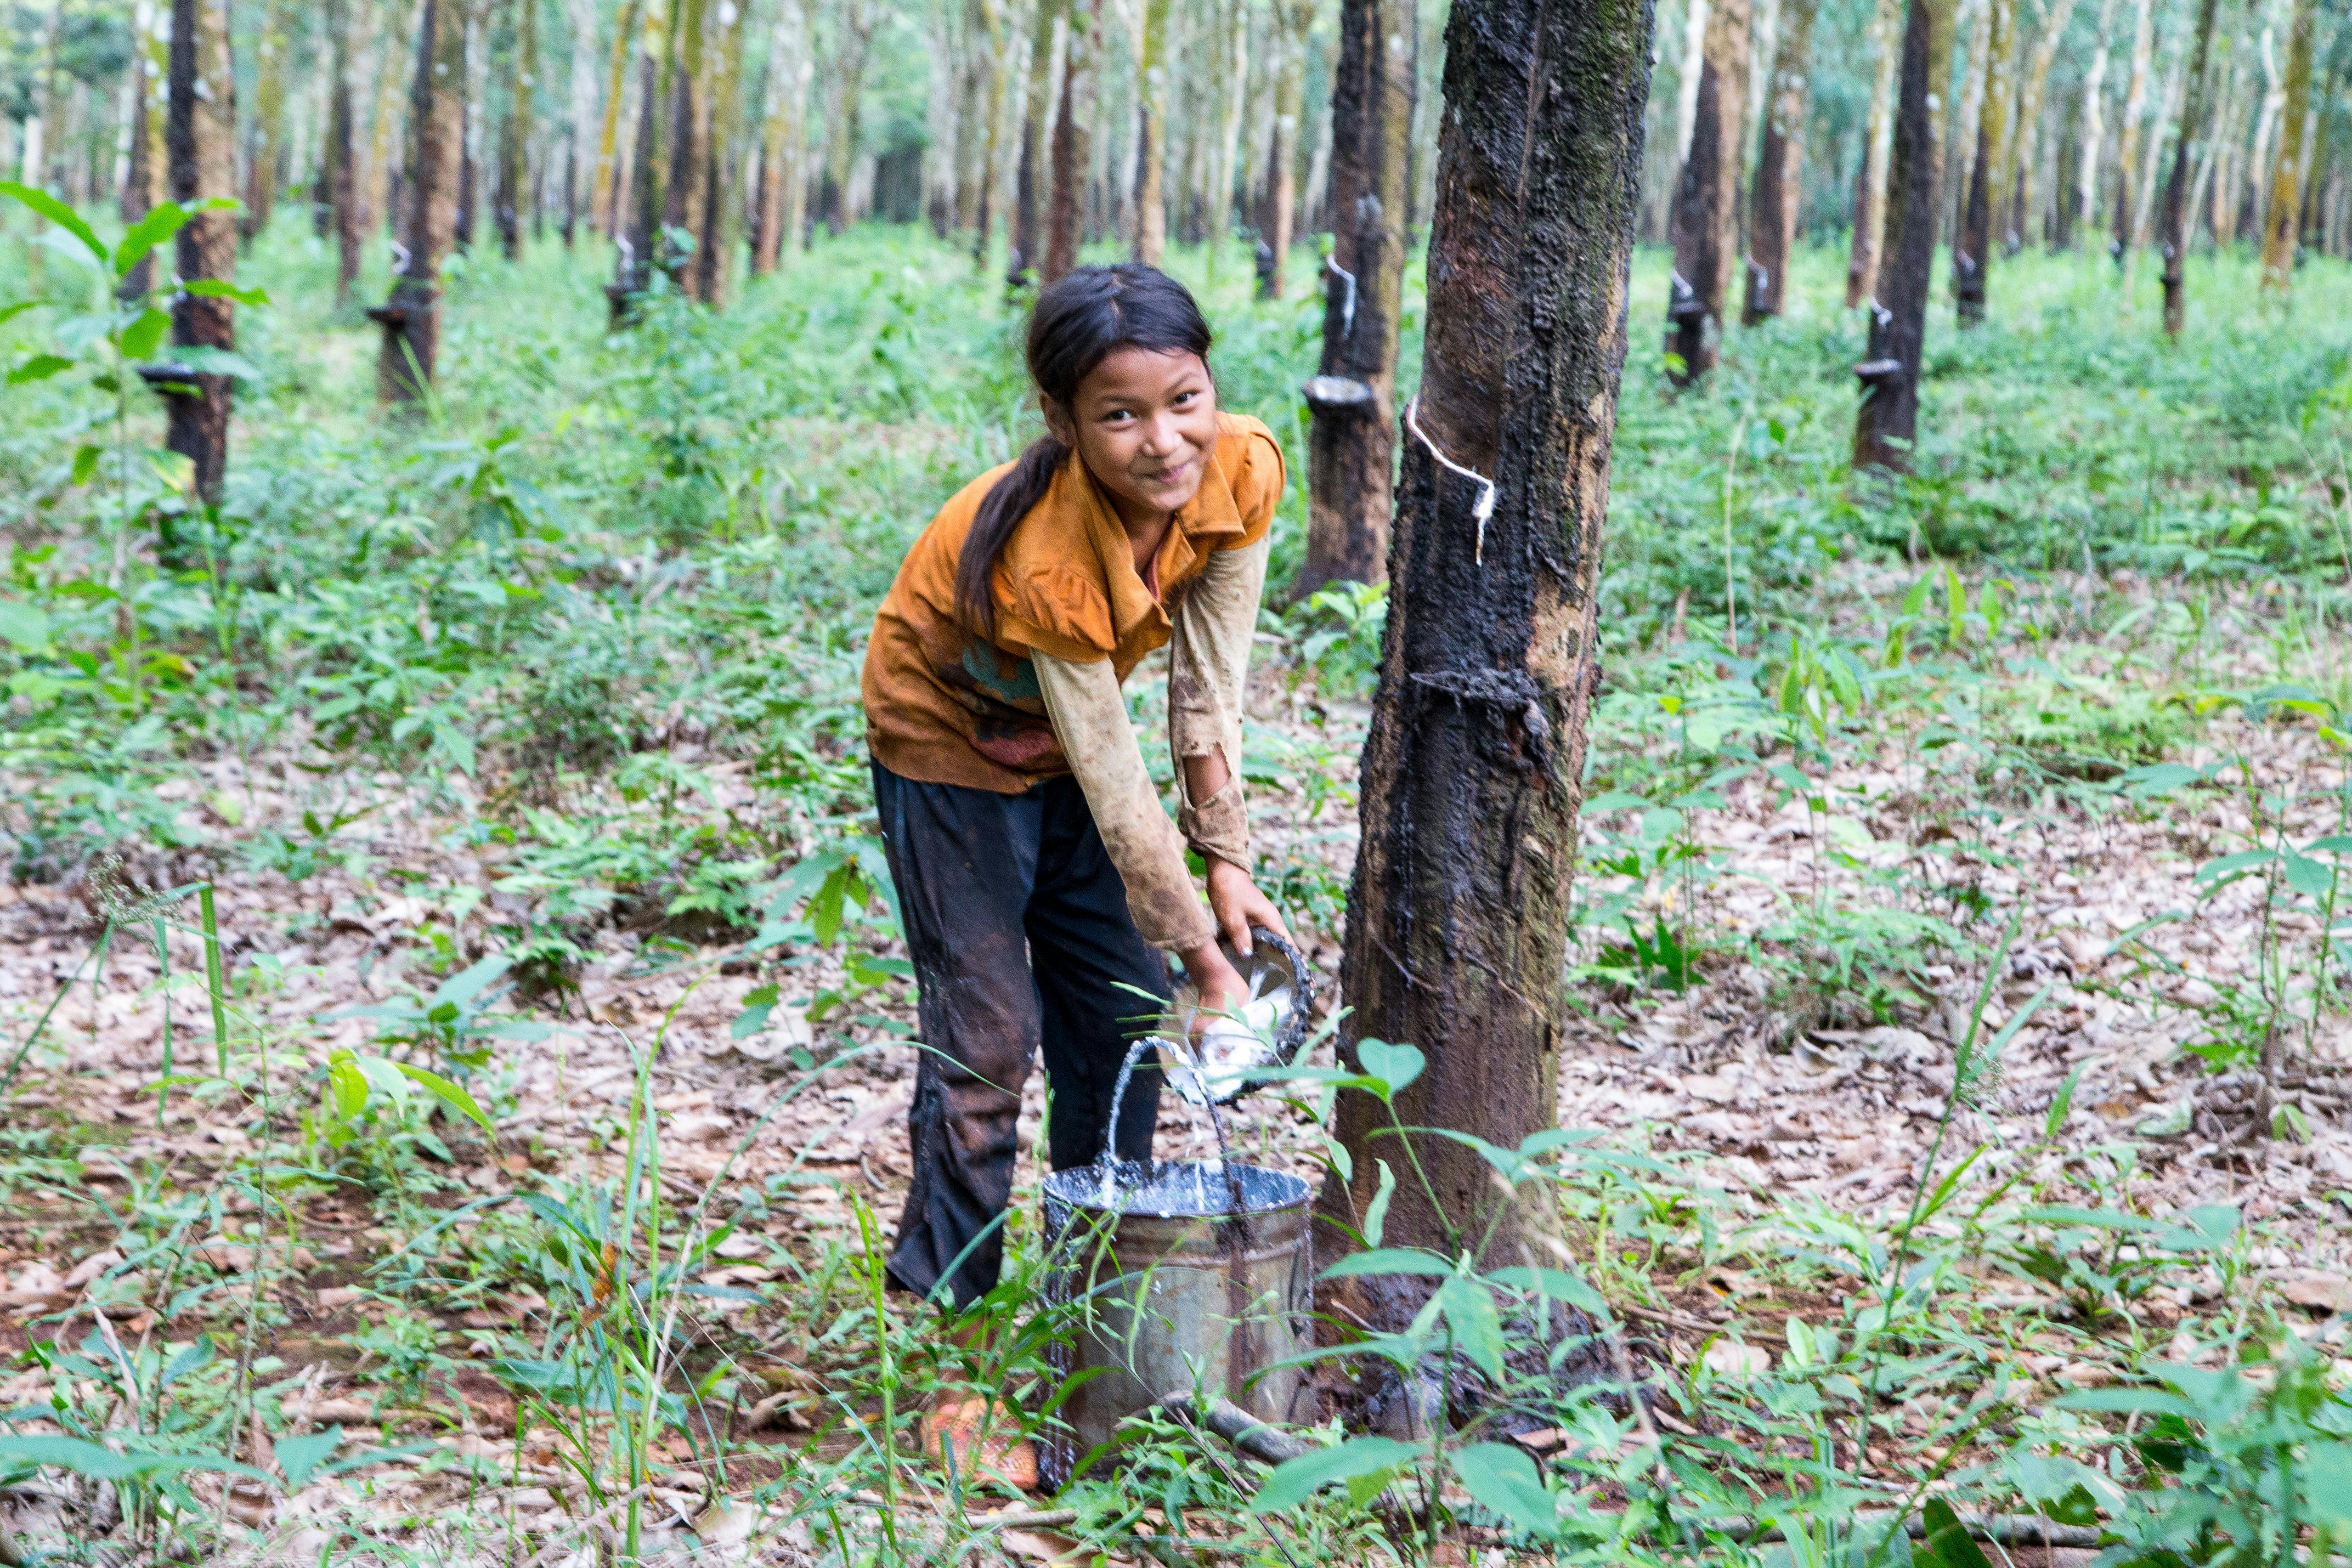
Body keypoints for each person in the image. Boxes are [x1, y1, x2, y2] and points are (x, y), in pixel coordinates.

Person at [859, 263, 1293, 1486]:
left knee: (1119, 1027)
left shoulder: (1246, 470)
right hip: (951, 749)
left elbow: (1208, 692)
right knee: (988, 1045)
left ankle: (1099, 1322)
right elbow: (1109, 774)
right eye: (1120, 415)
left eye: (1185, 399)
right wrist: (1208, 956)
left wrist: (1231, 865)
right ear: (1064, 423)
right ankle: (952, 1358)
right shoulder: (1048, 558)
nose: (1165, 441)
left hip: (1064, 751)